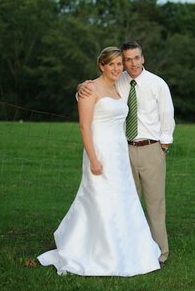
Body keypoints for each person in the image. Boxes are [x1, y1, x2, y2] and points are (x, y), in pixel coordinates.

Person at [38, 47, 162, 276]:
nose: (117, 68)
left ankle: (126, 248)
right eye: (111, 64)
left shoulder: (118, 86)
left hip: (119, 154)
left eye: (119, 64)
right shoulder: (90, 89)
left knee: (122, 199)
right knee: (98, 198)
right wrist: (94, 159)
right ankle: (99, 252)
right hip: (100, 152)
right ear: (101, 66)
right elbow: (84, 126)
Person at [78, 40, 175, 266]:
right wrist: (80, 86)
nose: (132, 64)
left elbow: (167, 116)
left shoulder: (157, 84)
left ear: (143, 58)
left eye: (136, 58)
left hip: (151, 148)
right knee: (126, 203)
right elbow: (94, 93)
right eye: (127, 60)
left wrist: (163, 148)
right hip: (122, 151)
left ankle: (160, 253)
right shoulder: (118, 80)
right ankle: (129, 248)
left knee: (154, 205)